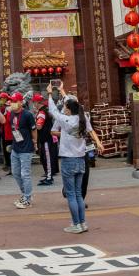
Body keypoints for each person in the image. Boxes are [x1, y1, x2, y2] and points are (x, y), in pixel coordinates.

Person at [48, 91, 105, 233]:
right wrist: (62, 92)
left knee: (71, 194)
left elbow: (53, 110)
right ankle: (83, 223)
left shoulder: (65, 120)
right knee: (78, 193)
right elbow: (73, 107)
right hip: (81, 159)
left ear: (68, 109)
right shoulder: (83, 118)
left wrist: (50, 94)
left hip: (68, 160)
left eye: (66, 107)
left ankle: (76, 224)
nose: (64, 108)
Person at [8, 94, 38, 209]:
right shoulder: (11, 114)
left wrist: (35, 143)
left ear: (21, 102)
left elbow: (34, 130)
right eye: (11, 101)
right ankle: (25, 194)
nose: (12, 103)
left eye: (15, 101)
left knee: (25, 174)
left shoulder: (27, 115)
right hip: (16, 147)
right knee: (16, 173)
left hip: (26, 148)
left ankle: (28, 198)